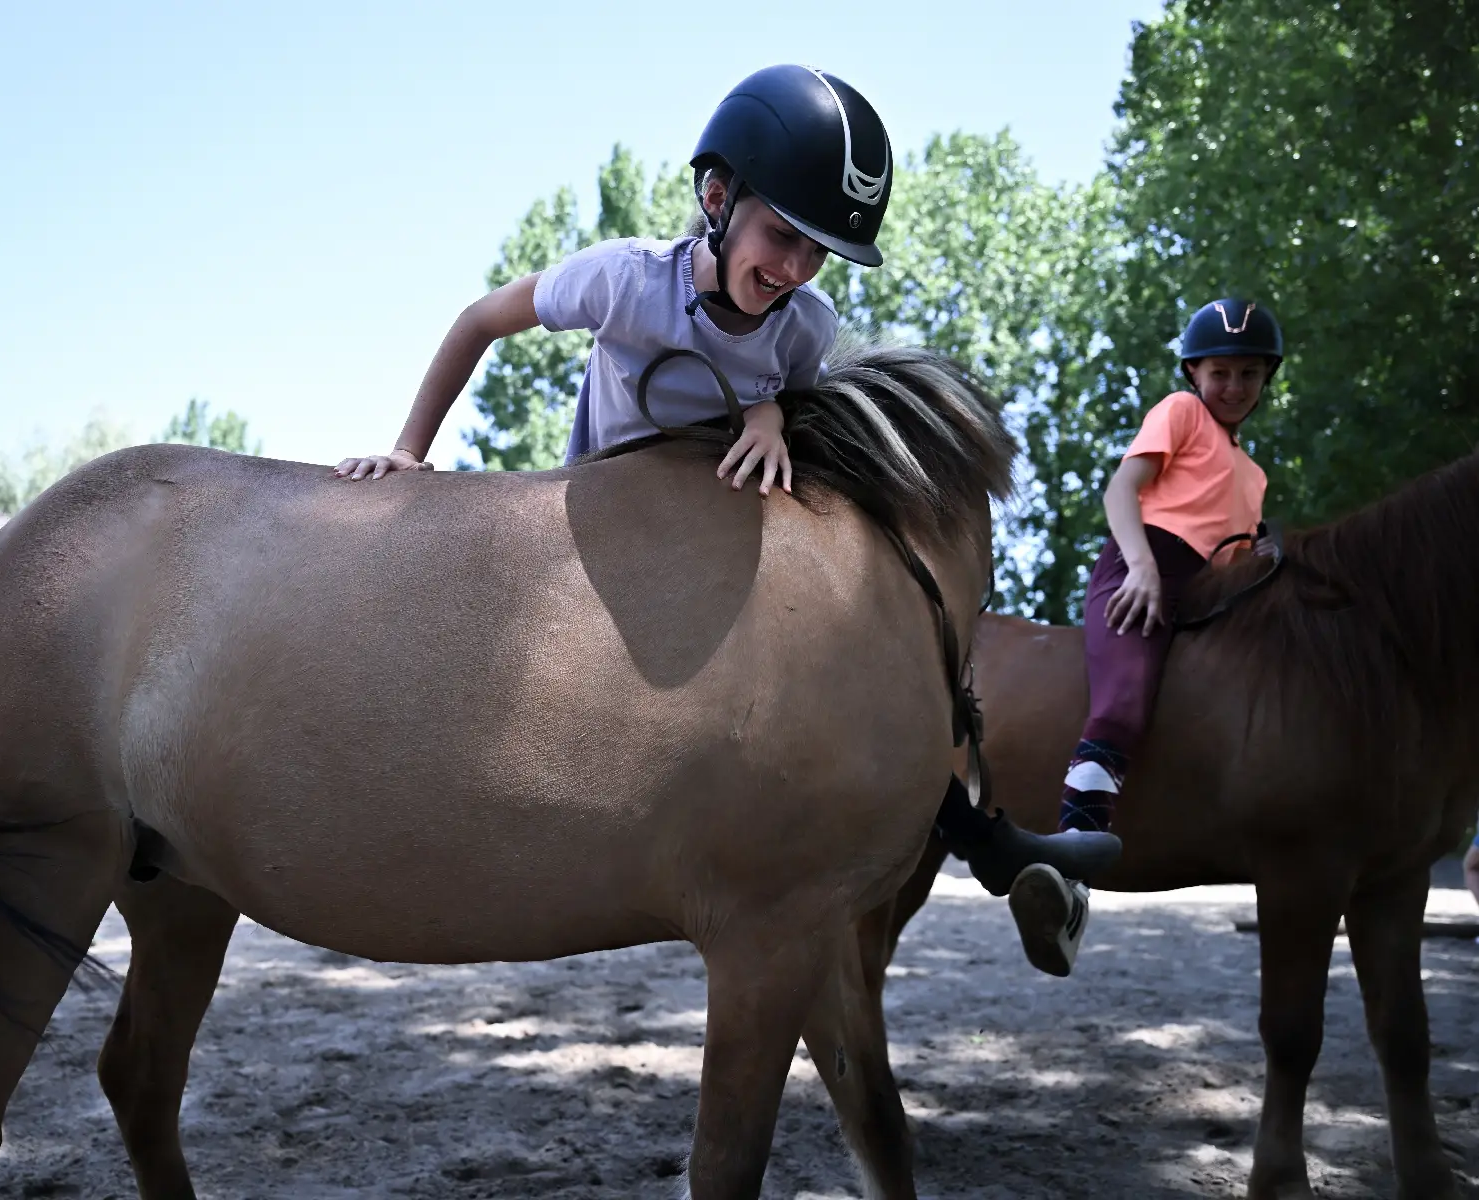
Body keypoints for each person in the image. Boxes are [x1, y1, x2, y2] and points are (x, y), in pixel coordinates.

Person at [336, 63, 1121, 912]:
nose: (796, 267)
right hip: (607, 518)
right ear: (717, 198)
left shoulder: (806, 326)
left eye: (818, 251)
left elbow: (796, 403)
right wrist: (409, 451)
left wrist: (771, 416)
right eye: (783, 235)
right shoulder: (624, 279)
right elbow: (481, 321)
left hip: (714, 525)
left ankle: (980, 837)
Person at [1009, 298, 1285, 977]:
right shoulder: (1181, 412)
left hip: (1207, 595)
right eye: (1220, 372)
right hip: (1142, 569)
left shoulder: (1254, 476)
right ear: (1194, 372)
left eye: (1249, 374)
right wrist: (1139, 567)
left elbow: (1230, 561)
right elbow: (1121, 492)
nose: (1234, 387)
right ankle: (1071, 867)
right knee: (1123, 703)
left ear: (1265, 381)